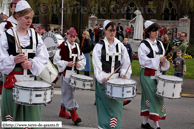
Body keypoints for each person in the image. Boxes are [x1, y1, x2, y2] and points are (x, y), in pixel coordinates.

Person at [0, 0, 49, 125]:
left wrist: (32, 64)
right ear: (17, 16)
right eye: (26, 18)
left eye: (31, 18)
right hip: (12, 82)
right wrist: (13, 60)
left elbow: (43, 56)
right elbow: (1, 60)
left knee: (31, 117)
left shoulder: (35, 35)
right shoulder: (7, 35)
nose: (29, 21)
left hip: (31, 82)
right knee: (13, 117)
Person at [92, 20, 132, 129]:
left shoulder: (121, 46)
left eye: (114, 30)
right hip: (104, 81)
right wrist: (101, 77)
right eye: (110, 30)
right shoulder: (99, 46)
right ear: (105, 30)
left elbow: (126, 63)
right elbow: (97, 65)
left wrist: (124, 74)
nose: (112, 33)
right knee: (104, 109)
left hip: (117, 83)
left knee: (116, 110)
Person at [138, 20, 170, 129]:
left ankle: (144, 123)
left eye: (157, 30)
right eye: (153, 31)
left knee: (150, 98)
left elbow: (160, 61)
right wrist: (158, 59)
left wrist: (164, 62)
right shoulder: (143, 44)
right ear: (148, 32)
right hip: (147, 74)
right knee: (153, 97)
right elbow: (143, 61)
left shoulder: (159, 43)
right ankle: (156, 125)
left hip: (157, 74)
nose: (156, 33)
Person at [53, 27, 86, 125]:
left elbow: (82, 59)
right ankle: (74, 114)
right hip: (66, 74)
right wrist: (67, 63)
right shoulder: (62, 46)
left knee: (69, 92)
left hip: (74, 74)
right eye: (70, 36)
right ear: (67, 36)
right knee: (69, 93)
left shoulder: (77, 47)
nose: (72, 38)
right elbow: (56, 60)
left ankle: (62, 111)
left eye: (74, 37)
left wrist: (79, 64)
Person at [0, 0, 21, 94]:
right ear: (11, 9)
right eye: (15, 6)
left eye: (19, 6)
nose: (17, 9)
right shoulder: (4, 25)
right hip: (9, 66)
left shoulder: (27, 26)